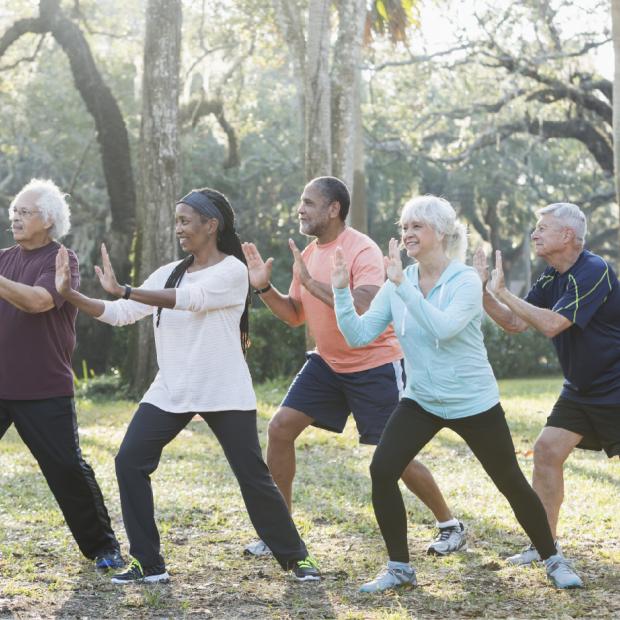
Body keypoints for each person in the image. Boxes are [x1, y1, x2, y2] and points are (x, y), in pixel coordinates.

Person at [54, 187, 320, 584]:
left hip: (223, 388)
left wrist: (125, 288)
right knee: (129, 461)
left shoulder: (232, 271)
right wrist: (72, 295)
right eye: (176, 220)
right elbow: (122, 313)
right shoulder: (169, 272)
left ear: (211, 225)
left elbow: (189, 300)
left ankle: (295, 557)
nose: (178, 228)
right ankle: (148, 562)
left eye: (185, 220)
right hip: (172, 390)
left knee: (252, 475)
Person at [331, 195, 583, 592]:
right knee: (382, 470)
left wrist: (402, 286)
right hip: (422, 400)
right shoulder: (400, 280)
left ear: (442, 233)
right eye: (404, 227)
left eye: (417, 226)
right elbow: (358, 335)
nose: (407, 233)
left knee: (510, 482)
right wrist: (341, 292)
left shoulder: (464, 279)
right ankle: (399, 567)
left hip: (473, 402)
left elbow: (443, 329)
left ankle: (553, 558)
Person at [241, 176, 465, 559]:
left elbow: (363, 304)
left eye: (309, 202)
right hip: (328, 362)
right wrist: (263, 288)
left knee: (395, 455)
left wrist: (311, 284)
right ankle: (280, 530)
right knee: (280, 429)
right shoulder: (308, 256)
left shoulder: (360, 248)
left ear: (333, 209)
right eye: (301, 201)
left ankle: (449, 524)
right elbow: (295, 315)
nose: (301, 209)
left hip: (373, 363)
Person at [474, 202, 620, 566]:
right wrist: (483, 292)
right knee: (547, 451)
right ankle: (545, 545)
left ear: (567, 235)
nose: (534, 234)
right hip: (581, 388)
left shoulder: (594, 269)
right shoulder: (551, 276)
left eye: (542, 228)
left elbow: (553, 324)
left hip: (616, 385)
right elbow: (514, 322)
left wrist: (505, 292)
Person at [0, 179, 123, 570]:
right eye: (14, 211)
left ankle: (103, 547)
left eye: (25, 212)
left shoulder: (62, 259)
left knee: (66, 468)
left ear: (49, 221)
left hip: (42, 387)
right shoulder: (4, 258)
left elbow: (38, 302)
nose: (15, 218)